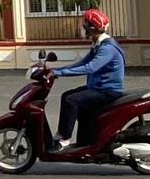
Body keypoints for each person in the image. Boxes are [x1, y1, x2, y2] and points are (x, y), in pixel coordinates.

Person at [50, 9, 125, 150]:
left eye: (85, 25)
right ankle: (85, 143)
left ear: (92, 28)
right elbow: (82, 63)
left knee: (71, 100)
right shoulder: (98, 45)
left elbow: (89, 68)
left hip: (107, 91)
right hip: (98, 88)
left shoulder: (107, 48)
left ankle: (64, 139)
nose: (83, 28)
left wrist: (59, 73)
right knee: (67, 96)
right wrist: (56, 70)